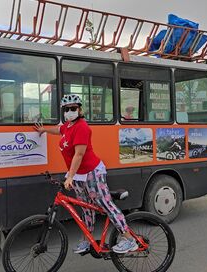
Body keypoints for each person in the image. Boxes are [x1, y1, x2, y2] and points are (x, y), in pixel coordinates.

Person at [34, 94, 138, 254]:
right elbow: (58, 130)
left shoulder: (82, 127)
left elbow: (79, 155)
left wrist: (69, 176)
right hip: (78, 175)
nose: (70, 111)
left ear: (79, 109)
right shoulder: (68, 126)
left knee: (105, 205)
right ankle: (87, 240)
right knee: (87, 209)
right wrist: (43, 130)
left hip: (92, 173)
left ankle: (128, 239)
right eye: (67, 109)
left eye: (73, 108)